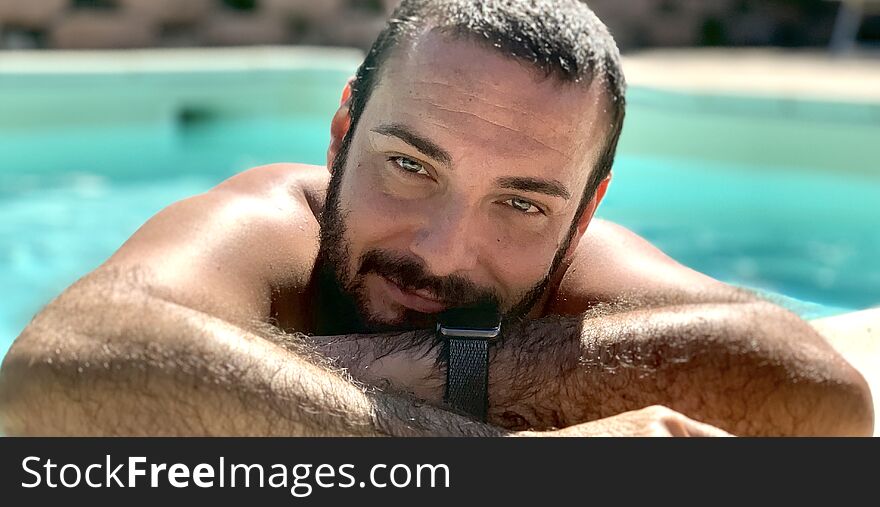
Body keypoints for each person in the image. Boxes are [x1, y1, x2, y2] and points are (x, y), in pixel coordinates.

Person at [0, 0, 872, 437]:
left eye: (523, 202)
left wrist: (376, 374)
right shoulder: (273, 221)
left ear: (586, 210)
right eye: (411, 166)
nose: (442, 251)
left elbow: (818, 390)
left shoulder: (575, 267)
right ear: (342, 135)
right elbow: (54, 368)